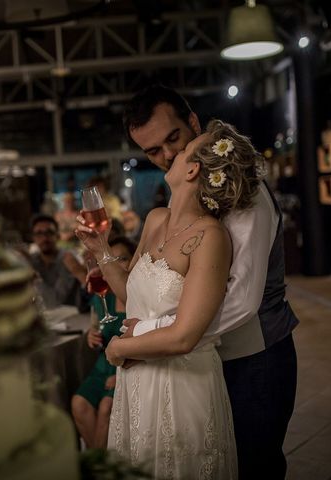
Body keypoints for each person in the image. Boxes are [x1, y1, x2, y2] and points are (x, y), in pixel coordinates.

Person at [121, 85, 298, 479]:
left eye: (172, 138)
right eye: (153, 151)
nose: (167, 154)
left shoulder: (245, 193)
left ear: (194, 123)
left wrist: (152, 334)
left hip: (255, 359)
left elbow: (241, 301)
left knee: (255, 467)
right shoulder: (180, 203)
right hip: (200, 363)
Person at [76, 120, 270, 478]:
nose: (172, 156)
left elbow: (185, 336)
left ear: (193, 169)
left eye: (182, 151)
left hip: (181, 384)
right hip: (138, 382)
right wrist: (100, 249)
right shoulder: (155, 220)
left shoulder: (211, 237)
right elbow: (129, 292)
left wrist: (120, 349)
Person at [71, 237, 137, 449]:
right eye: (111, 259)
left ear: (135, 260)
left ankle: (100, 467)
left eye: (123, 258)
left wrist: (118, 377)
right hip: (103, 364)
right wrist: (92, 334)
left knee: (106, 408)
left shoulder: (138, 297)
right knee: (78, 404)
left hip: (128, 364)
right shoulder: (103, 296)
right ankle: (101, 460)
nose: (117, 264)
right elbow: (96, 327)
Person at [29, 214, 87, 310]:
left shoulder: (67, 259)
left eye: (49, 233)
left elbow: (54, 302)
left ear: (57, 235)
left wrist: (34, 278)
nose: (44, 238)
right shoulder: (33, 260)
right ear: (33, 238)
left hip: (73, 318)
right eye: (39, 234)